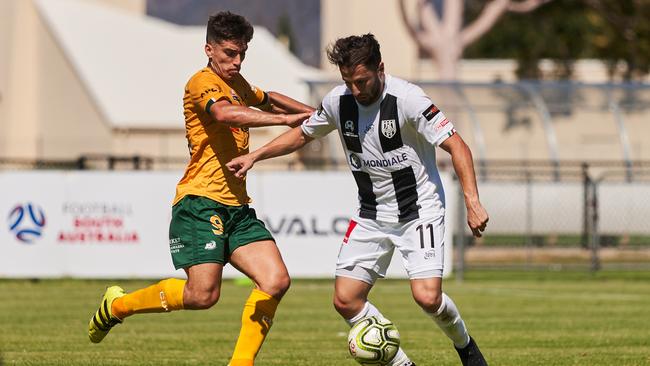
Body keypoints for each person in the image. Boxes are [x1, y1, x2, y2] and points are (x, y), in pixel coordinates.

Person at [226, 34, 489, 366]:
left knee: (427, 298)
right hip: (371, 214)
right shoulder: (338, 102)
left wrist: (472, 201)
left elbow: (457, 145)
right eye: (348, 81)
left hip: (418, 210)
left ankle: (466, 347)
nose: (355, 89)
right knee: (346, 300)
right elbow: (303, 134)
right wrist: (256, 156)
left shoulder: (408, 99)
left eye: (362, 81)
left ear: (380, 68)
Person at [87, 11, 313, 366]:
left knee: (276, 279)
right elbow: (225, 114)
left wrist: (320, 112)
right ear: (209, 49)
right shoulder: (201, 82)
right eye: (229, 54)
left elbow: (267, 97)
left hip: (237, 208)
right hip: (200, 202)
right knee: (202, 295)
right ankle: (117, 305)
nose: (236, 61)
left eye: (242, 54)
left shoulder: (236, 83)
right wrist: (285, 120)